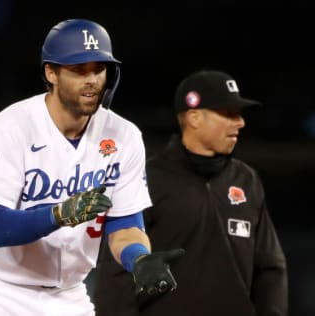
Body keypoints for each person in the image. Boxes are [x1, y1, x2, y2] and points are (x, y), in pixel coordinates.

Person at [0, 19, 184, 316]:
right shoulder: (10, 127)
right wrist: (59, 215)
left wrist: (138, 258)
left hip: (69, 295)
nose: (91, 79)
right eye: (79, 70)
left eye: (98, 69)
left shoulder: (124, 135)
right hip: (0, 292)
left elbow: (124, 224)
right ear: (50, 73)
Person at [94, 70, 288, 316]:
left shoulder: (246, 180)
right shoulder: (150, 178)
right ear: (194, 117)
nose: (240, 122)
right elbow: (117, 271)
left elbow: (270, 268)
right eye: (228, 113)